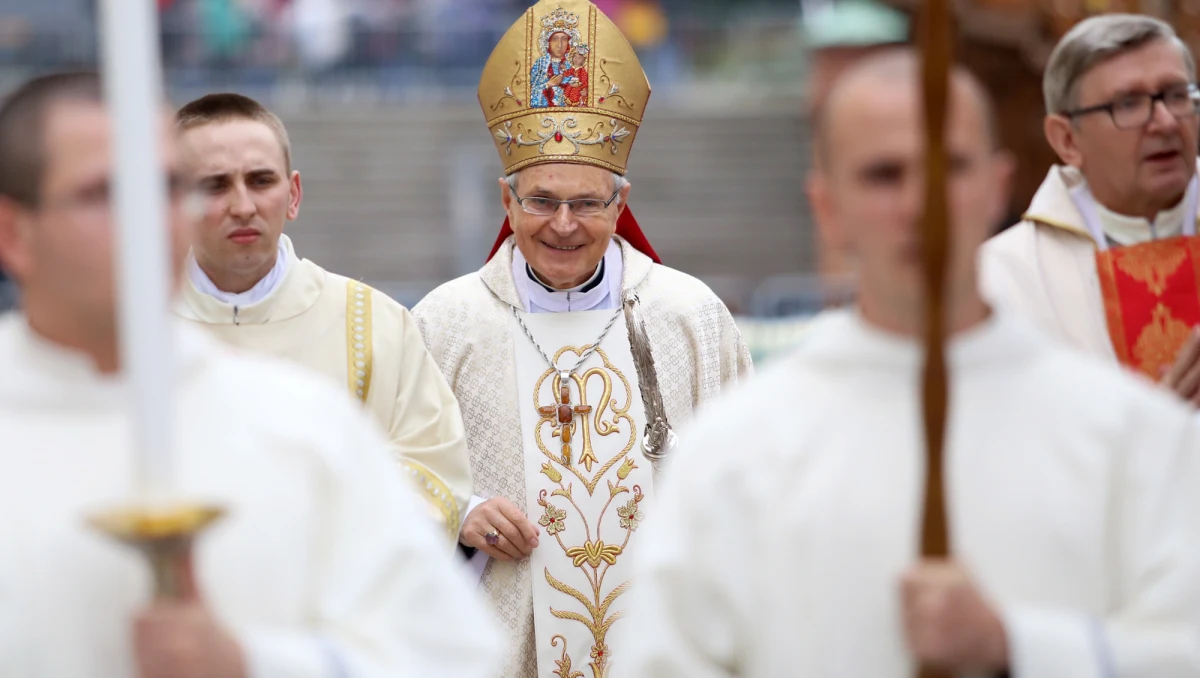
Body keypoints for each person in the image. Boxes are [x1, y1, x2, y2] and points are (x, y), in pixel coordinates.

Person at [615, 49, 1200, 677]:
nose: (922, 205)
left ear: (1000, 187)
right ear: (827, 208)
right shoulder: (732, 455)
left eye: (950, 167)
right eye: (884, 175)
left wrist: (1018, 646)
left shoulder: (1133, 435)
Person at [0, 72, 500, 677]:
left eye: (162, 192)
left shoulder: (304, 421)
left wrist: (255, 662)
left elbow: (447, 654)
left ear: (291, 193)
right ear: (13, 232)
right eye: (105, 195)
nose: (149, 224)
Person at [411, 1, 752, 675]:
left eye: (586, 203)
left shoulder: (690, 317)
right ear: (507, 202)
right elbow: (381, 477)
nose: (563, 224)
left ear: (620, 204)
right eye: (541, 201)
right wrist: (459, 510)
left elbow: (749, 480)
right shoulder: (443, 324)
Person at [171, 93, 472, 539]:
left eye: (260, 181)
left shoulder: (375, 324)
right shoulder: (126, 332)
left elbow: (435, 478)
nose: (243, 206)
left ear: (292, 195)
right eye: (215, 185)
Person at [980, 14, 1200, 403]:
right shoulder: (1003, 278)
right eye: (1129, 104)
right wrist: (1152, 433)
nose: (1164, 122)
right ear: (1067, 140)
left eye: (1177, 95)